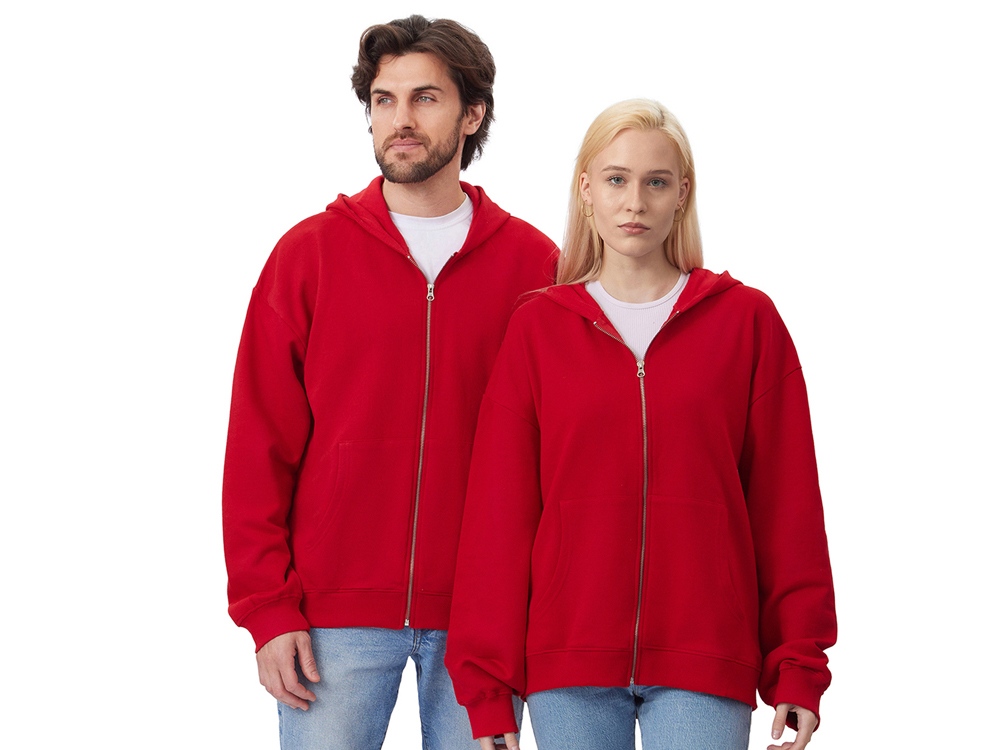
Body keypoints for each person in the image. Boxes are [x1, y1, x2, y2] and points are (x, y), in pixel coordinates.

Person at [445, 99, 836, 750]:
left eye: (656, 182)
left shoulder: (746, 323)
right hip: (568, 661)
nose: (635, 202)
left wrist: (797, 666)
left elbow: (786, 508)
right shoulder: (538, 329)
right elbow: (499, 518)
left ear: (682, 194)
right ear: (587, 190)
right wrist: (488, 691)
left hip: (705, 655)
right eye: (616, 179)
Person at [222, 15, 556, 749]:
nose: (400, 119)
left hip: (485, 616)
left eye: (425, 98)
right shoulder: (308, 256)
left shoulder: (536, 268)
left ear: (472, 114)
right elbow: (257, 446)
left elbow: (563, 454)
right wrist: (267, 609)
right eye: (384, 100)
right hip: (330, 615)